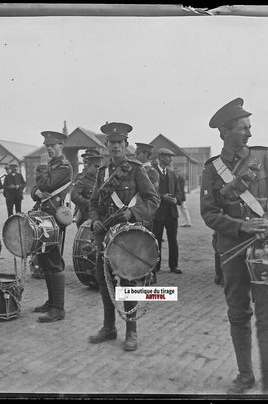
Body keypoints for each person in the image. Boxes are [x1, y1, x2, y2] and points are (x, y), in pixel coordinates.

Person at [201, 98, 268, 394]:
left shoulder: (263, 158)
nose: (249, 133)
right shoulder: (212, 169)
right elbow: (209, 213)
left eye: (250, 127)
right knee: (238, 313)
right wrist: (241, 226)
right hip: (233, 252)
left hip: (266, 248)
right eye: (242, 128)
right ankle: (245, 375)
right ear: (224, 132)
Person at [88, 122, 159, 351]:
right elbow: (93, 203)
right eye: (112, 143)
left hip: (127, 235)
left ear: (126, 145)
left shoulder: (136, 169)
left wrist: (132, 212)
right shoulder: (102, 173)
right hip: (105, 235)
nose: (116, 146)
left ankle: (132, 331)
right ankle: (109, 327)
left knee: (128, 281)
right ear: (106, 145)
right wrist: (95, 218)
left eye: (120, 142)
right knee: (103, 279)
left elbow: (152, 200)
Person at [30, 131, 73, 323]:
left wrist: (39, 184)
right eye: (47, 146)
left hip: (54, 217)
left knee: (54, 260)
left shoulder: (64, 167)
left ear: (61, 146)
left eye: (53, 146)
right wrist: (37, 191)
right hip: (44, 217)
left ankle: (59, 308)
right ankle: (51, 301)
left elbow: (46, 184)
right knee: (45, 260)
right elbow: (35, 190)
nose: (49, 149)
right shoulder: (51, 166)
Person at [152, 148, 183, 275]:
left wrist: (176, 199)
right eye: (168, 157)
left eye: (171, 157)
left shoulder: (172, 174)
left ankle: (173, 265)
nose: (170, 159)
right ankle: (155, 266)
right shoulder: (152, 172)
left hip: (171, 213)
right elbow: (150, 192)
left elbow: (179, 191)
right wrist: (162, 197)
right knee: (156, 240)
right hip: (158, 213)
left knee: (173, 240)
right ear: (160, 157)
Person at [71, 150, 102, 227]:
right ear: (88, 166)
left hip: (100, 217)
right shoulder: (82, 180)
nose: (98, 169)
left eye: (99, 167)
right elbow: (74, 196)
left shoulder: (101, 180)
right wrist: (90, 204)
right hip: (86, 217)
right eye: (96, 167)